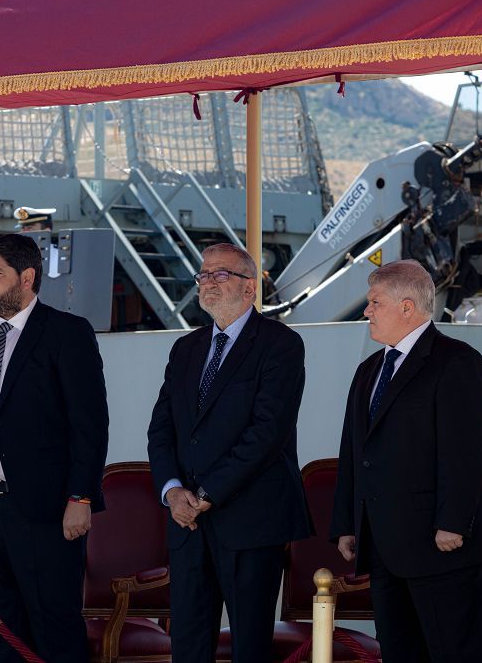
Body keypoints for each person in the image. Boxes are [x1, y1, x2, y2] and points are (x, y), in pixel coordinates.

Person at [0, 234, 109, 662]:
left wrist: (80, 496)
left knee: (53, 625)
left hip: (45, 511)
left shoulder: (66, 333)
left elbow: (89, 425)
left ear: (27, 277)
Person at [330, 259, 482, 663]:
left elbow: (469, 449)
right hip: (385, 547)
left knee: (456, 654)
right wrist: (346, 523)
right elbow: (355, 452)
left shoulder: (456, 360)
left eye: (374, 303)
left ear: (407, 307)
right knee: (400, 654)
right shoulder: (369, 370)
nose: (367, 311)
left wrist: (452, 522)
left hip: (443, 547)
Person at [147, 243, 311, 662]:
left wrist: (205, 495)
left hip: (251, 523)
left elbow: (266, 434)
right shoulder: (185, 348)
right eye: (203, 275)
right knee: (188, 647)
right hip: (187, 526)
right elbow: (162, 428)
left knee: (249, 649)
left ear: (249, 288)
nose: (207, 283)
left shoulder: (281, 345)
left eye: (220, 274)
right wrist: (171, 491)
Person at [13, 206, 61, 278]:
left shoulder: (59, 258)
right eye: (23, 228)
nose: (24, 233)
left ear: (46, 231)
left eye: (30, 228)